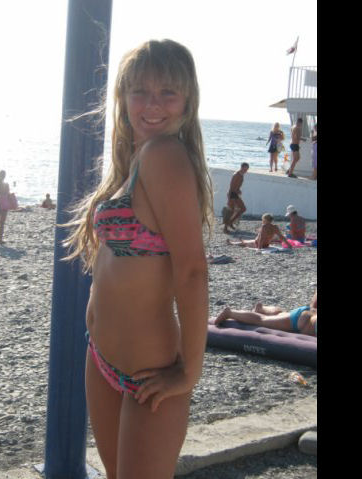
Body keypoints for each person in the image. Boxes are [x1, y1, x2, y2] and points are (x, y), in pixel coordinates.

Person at [60, 39, 214, 479]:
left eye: (168, 92)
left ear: (188, 100)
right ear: (123, 96)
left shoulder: (165, 155)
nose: (152, 104)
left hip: (151, 372)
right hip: (102, 357)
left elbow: (192, 270)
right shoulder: (136, 158)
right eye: (140, 91)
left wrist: (189, 372)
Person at [210, 290, 317, 337]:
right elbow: (307, 330)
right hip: (299, 320)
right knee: (261, 320)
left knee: (280, 315)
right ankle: (230, 313)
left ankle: (262, 309)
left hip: (306, 314)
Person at [226, 213, 293, 249]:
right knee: (247, 241)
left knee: (243, 243)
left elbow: (261, 238)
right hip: (266, 245)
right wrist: (289, 245)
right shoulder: (275, 227)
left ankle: (232, 243)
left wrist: (259, 248)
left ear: (265, 220)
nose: (262, 221)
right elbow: (281, 237)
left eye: (262, 219)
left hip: (258, 244)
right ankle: (242, 241)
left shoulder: (264, 226)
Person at [223, 162, 249, 234]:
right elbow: (231, 187)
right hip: (232, 194)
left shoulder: (241, 175)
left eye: (247, 169)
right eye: (245, 169)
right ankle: (226, 227)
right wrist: (232, 198)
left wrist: (239, 190)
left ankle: (230, 222)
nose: (246, 171)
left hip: (235, 194)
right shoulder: (236, 175)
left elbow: (236, 186)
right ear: (241, 167)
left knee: (242, 209)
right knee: (231, 211)